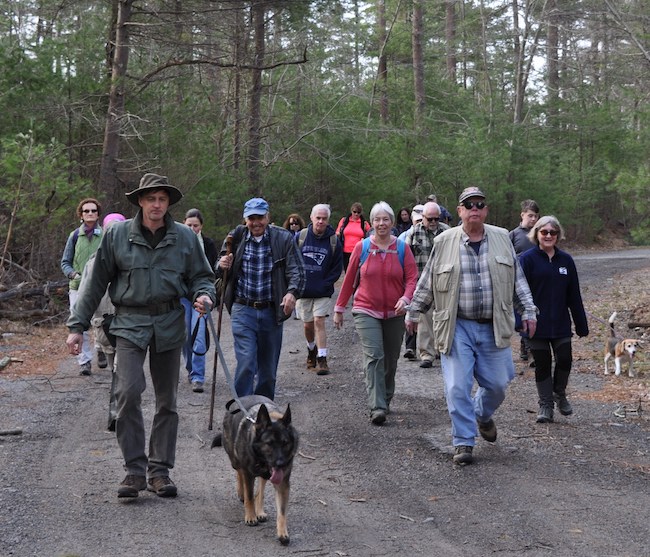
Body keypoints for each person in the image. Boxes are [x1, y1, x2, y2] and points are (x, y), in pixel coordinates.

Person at [65, 173, 216, 499]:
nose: (157, 205)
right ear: (140, 202)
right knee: (128, 393)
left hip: (169, 322)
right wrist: (77, 326)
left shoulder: (185, 238)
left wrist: (205, 295)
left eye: (162, 199)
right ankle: (134, 470)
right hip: (129, 323)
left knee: (167, 401)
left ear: (168, 203)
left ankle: (159, 472)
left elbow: (202, 277)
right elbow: (95, 282)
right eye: (151, 199)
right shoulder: (118, 235)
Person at [406, 187, 537, 465]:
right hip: (457, 326)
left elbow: (517, 280)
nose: (474, 209)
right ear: (460, 211)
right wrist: (413, 311)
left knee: (499, 384)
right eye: (469, 205)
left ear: (485, 210)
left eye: (479, 204)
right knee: (457, 386)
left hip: (493, 325)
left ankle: (481, 414)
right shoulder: (444, 241)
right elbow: (428, 280)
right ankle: (463, 440)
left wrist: (528, 311)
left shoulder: (501, 238)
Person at [333, 201, 418, 425]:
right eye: (377, 219)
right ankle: (377, 406)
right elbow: (349, 280)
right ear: (372, 222)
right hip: (365, 309)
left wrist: (405, 298)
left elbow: (412, 278)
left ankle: (386, 397)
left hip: (395, 311)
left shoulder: (402, 248)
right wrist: (339, 308)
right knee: (374, 356)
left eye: (386, 219)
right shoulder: (362, 247)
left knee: (391, 358)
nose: (382, 223)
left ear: (392, 222)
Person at [216, 198, 305, 400]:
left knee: (268, 371)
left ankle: (263, 410)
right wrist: (222, 264)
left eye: (260, 217)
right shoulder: (235, 237)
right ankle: (242, 409)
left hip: (271, 311)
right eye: (251, 218)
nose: (256, 222)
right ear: (245, 219)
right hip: (243, 309)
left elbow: (297, 271)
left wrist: (292, 293)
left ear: (268, 217)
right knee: (246, 362)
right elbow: (218, 268)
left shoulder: (283, 238)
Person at [519, 216, 588, 423]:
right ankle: (545, 404)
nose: (548, 236)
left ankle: (559, 393)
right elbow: (517, 294)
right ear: (537, 234)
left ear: (558, 235)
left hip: (560, 322)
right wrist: (519, 320)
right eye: (544, 232)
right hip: (535, 324)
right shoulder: (527, 259)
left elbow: (574, 295)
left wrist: (581, 324)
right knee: (542, 363)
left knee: (565, 359)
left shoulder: (566, 260)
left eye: (553, 232)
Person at [76, 212, 126, 431]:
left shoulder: (133, 257)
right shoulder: (94, 262)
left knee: (123, 368)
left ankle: (119, 414)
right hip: (105, 322)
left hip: (130, 322)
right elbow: (86, 295)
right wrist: (79, 325)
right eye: (110, 230)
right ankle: (117, 412)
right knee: (116, 368)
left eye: (118, 229)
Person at [296, 204, 343, 375]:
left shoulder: (333, 241)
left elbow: (337, 268)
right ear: (311, 218)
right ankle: (311, 349)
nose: (321, 221)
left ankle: (322, 359)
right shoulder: (300, 237)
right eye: (318, 218)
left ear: (328, 220)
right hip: (303, 290)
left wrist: (325, 283)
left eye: (324, 218)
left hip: (322, 291)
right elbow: (291, 261)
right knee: (308, 325)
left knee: (319, 321)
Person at [403, 201, 450, 368]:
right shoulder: (413, 233)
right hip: (422, 282)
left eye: (437, 219)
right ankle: (426, 354)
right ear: (423, 217)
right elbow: (406, 258)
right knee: (425, 319)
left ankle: (441, 349)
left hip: (444, 282)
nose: (433, 222)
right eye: (430, 219)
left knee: (443, 318)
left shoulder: (447, 232)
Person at [60, 198, 104, 376]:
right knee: (80, 325)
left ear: (98, 214)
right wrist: (73, 274)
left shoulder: (105, 235)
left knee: (101, 322)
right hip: (78, 287)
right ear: (81, 214)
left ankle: (101, 348)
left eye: (93, 210)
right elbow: (65, 262)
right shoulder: (75, 235)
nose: (90, 213)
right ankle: (84, 361)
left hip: (101, 287)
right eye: (86, 211)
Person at [181, 208, 219, 393]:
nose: (192, 229)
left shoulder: (208, 244)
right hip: (182, 296)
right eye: (189, 225)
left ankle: (198, 375)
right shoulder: (177, 243)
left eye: (195, 225)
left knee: (200, 335)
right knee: (185, 335)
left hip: (201, 297)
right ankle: (190, 367)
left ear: (201, 226)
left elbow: (213, 271)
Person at [509, 199, 540, 363]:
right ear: (522, 215)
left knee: (535, 312)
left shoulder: (541, 234)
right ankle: (525, 343)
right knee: (522, 313)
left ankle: (534, 346)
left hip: (537, 281)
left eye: (536, 216)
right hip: (519, 282)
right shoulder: (513, 235)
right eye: (530, 215)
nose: (533, 219)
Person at [400, 205, 424, 360]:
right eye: (417, 221)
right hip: (411, 280)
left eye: (422, 220)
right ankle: (410, 347)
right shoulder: (404, 236)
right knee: (411, 311)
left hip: (427, 279)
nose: (419, 223)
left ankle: (431, 347)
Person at [336, 202, 370, 272]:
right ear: (351, 211)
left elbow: (370, 235)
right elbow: (338, 232)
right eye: (354, 212)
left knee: (357, 273)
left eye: (358, 212)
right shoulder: (344, 221)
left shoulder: (364, 223)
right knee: (347, 272)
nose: (356, 214)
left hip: (359, 252)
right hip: (345, 252)